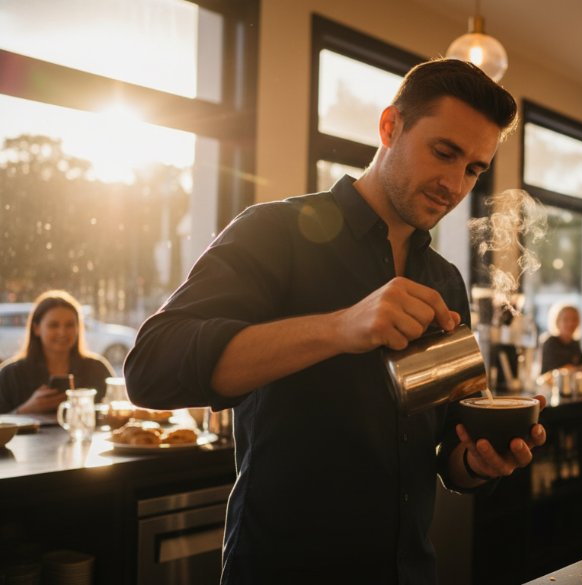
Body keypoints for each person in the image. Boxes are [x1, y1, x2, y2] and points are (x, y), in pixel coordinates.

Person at [124, 59, 546, 585]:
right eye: (444, 153)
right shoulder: (274, 232)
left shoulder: (445, 280)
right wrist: (342, 327)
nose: (454, 184)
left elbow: (441, 451)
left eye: (474, 169)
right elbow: (150, 368)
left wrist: (476, 462)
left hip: (409, 571)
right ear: (390, 126)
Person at [0, 290, 113, 414]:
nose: (62, 332)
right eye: (53, 325)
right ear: (36, 328)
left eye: (70, 325)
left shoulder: (97, 369)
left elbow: (115, 411)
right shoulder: (11, 375)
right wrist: (25, 410)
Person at [539, 303, 582, 374]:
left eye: (574, 319)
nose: (571, 323)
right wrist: (575, 369)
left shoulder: (574, 344)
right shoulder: (550, 343)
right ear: (557, 321)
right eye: (566, 319)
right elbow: (552, 372)